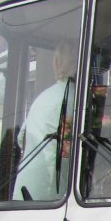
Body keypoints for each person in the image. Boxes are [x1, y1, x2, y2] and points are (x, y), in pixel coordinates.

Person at [12, 41, 77, 201]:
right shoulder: (78, 100)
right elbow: (67, 153)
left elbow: (22, 139)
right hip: (54, 194)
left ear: (55, 64)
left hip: (25, 189)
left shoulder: (43, 97)